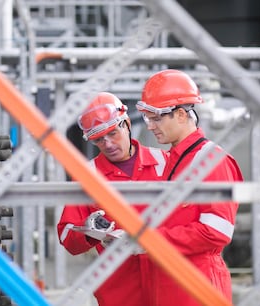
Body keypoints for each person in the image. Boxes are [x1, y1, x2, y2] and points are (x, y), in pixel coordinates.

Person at [135, 69, 244, 305]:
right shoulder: (172, 160)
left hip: (197, 281)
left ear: (182, 115)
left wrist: (151, 238)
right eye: (147, 118)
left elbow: (217, 231)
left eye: (156, 118)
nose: (151, 126)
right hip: (168, 277)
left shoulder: (211, 161)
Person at [56, 92, 167, 306]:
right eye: (99, 139)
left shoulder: (164, 163)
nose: (108, 144)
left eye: (113, 133)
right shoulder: (88, 176)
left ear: (126, 124)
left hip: (166, 281)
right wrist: (88, 231)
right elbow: (66, 234)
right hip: (119, 290)